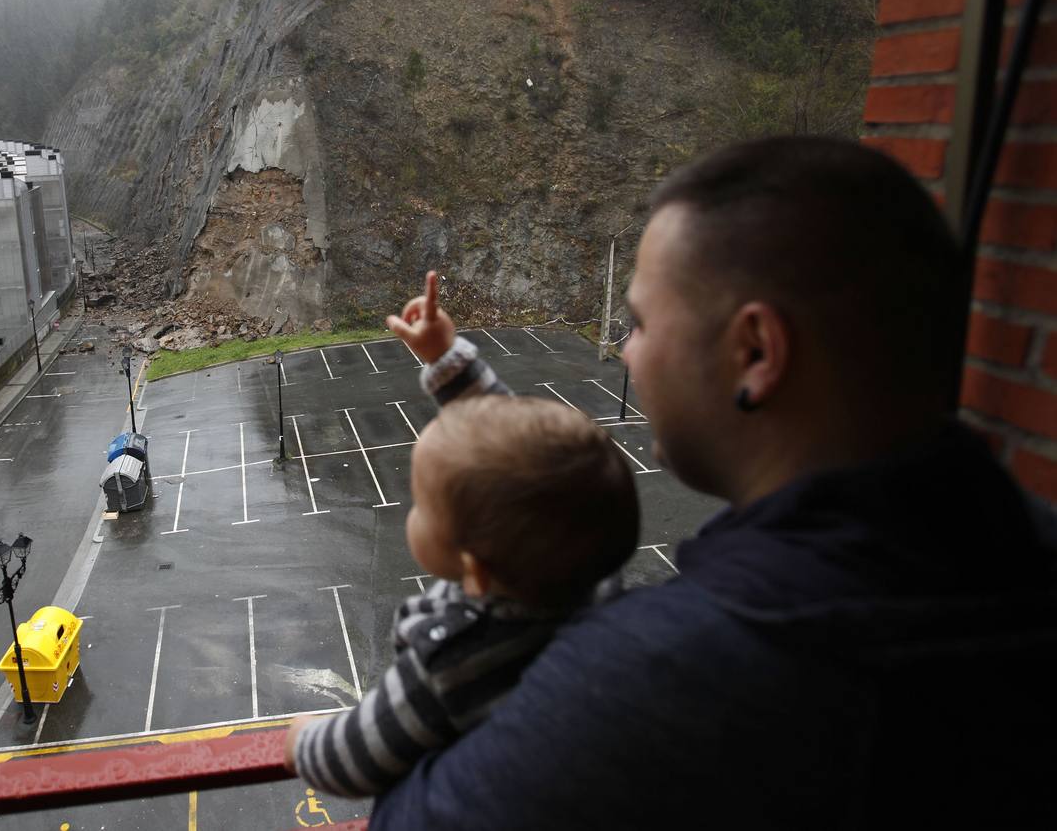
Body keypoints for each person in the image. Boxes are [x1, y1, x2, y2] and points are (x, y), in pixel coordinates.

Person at [370, 136, 1057, 829]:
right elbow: (525, 471)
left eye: (639, 322)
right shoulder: (1021, 549)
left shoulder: (651, 682)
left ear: (755, 352)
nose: (626, 350)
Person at [282, 395, 638, 797]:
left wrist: (303, 742)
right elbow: (538, 471)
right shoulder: (599, 587)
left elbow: (354, 758)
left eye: (420, 505)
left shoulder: (453, 661)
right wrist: (448, 361)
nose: (410, 512)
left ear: (474, 568)